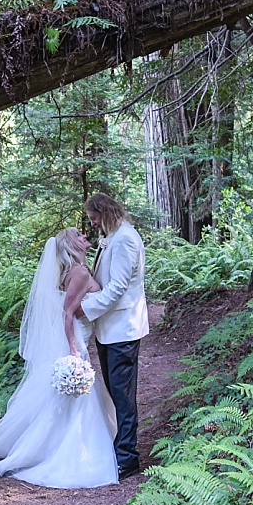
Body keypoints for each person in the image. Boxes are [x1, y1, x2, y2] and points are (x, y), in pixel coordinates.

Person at [0, 228, 119, 488]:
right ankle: (72, 449)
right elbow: (67, 313)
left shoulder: (72, 271)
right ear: (71, 244)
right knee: (78, 396)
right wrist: (73, 350)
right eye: (79, 235)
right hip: (76, 338)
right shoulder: (79, 273)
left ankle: (53, 442)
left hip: (78, 336)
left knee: (67, 397)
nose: (85, 236)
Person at [78, 193, 148, 480]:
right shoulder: (113, 237)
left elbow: (118, 287)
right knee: (114, 390)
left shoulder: (125, 240)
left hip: (123, 329)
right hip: (109, 330)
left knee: (122, 393)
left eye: (95, 219)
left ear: (106, 212)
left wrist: (85, 308)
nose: (94, 226)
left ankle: (128, 458)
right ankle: (120, 447)